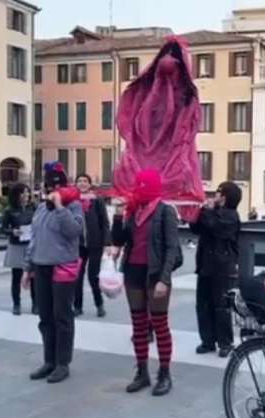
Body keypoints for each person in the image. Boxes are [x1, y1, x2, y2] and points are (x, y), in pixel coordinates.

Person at [111, 169, 181, 396]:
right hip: (133, 271)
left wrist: (164, 279)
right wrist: (118, 215)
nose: (137, 189)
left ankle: (164, 373)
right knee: (138, 325)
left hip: (155, 274)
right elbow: (119, 239)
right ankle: (142, 372)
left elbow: (172, 247)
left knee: (160, 325)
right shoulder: (134, 210)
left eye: (142, 185)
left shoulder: (165, 211)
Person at [23, 162, 84, 384]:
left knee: (62, 316)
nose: (51, 190)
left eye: (56, 186)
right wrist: (28, 267)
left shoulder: (74, 206)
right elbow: (35, 238)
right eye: (49, 186)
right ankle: (49, 360)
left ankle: (62, 363)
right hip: (41, 267)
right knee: (45, 317)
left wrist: (60, 208)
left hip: (63, 267)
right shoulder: (40, 209)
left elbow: (75, 231)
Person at [190, 182, 241, 358]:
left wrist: (208, 210)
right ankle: (207, 341)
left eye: (218, 193)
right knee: (203, 304)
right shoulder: (211, 213)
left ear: (225, 197)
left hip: (222, 266)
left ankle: (225, 342)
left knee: (221, 306)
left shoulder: (231, 216)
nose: (215, 196)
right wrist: (198, 212)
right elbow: (195, 228)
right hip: (205, 265)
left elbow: (215, 227)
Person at [74, 173, 109, 318]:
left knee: (93, 276)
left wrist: (107, 242)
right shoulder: (72, 200)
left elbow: (104, 222)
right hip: (77, 245)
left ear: (89, 184)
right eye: (79, 181)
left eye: (85, 181)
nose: (82, 183)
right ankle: (77, 306)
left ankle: (99, 305)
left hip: (95, 243)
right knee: (77, 276)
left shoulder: (97, 200)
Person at [2, 183, 37, 316]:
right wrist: (12, 231)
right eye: (23, 193)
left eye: (28, 192)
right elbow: (3, 228)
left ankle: (36, 304)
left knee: (34, 276)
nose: (26, 196)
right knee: (16, 277)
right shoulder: (9, 210)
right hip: (16, 245)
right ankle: (16, 304)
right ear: (16, 195)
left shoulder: (34, 207)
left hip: (31, 244)